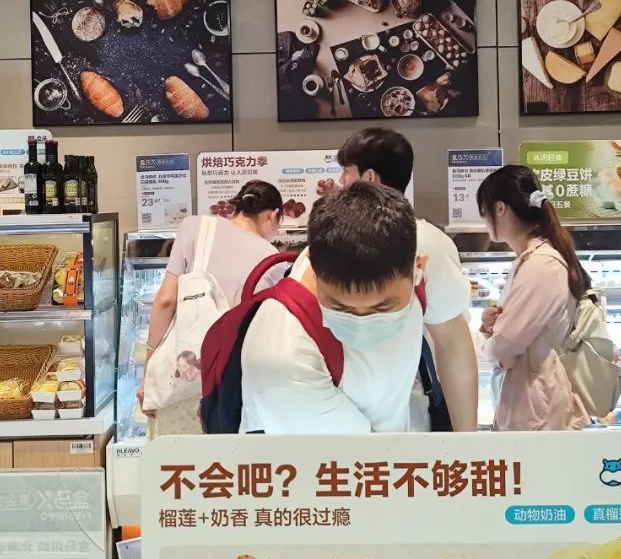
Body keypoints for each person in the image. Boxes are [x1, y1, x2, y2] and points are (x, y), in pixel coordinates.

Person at [240, 182, 433, 433]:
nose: (363, 323)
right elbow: (348, 454)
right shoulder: (280, 355)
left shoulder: (411, 257)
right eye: (340, 307)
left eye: (383, 307)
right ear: (314, 269)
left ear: (418, 268)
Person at [336, 128, 479, 431]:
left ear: (369, 178)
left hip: (356, 416)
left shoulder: (420, 240)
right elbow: (453, 343)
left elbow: (452, 344)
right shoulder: (425, 238)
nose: (340, 181)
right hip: (376, 417)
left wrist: (467, 441)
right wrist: (467, 441)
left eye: (346, 171)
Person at [138, 180, 285, 417]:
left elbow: (166, 300)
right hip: (233, 389)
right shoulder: (273, 259)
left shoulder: (195, 227)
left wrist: (150, 370)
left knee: (175, 441)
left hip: (182, 380)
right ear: (273, 216)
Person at [475, 165, 591, 432]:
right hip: (534, 407)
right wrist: (493, 328)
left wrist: (489, 346)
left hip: (537, 412)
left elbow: (505, 347)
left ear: (500, 208)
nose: (484, 220)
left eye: (484, 211)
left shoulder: (540, 265)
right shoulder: (534, 260)